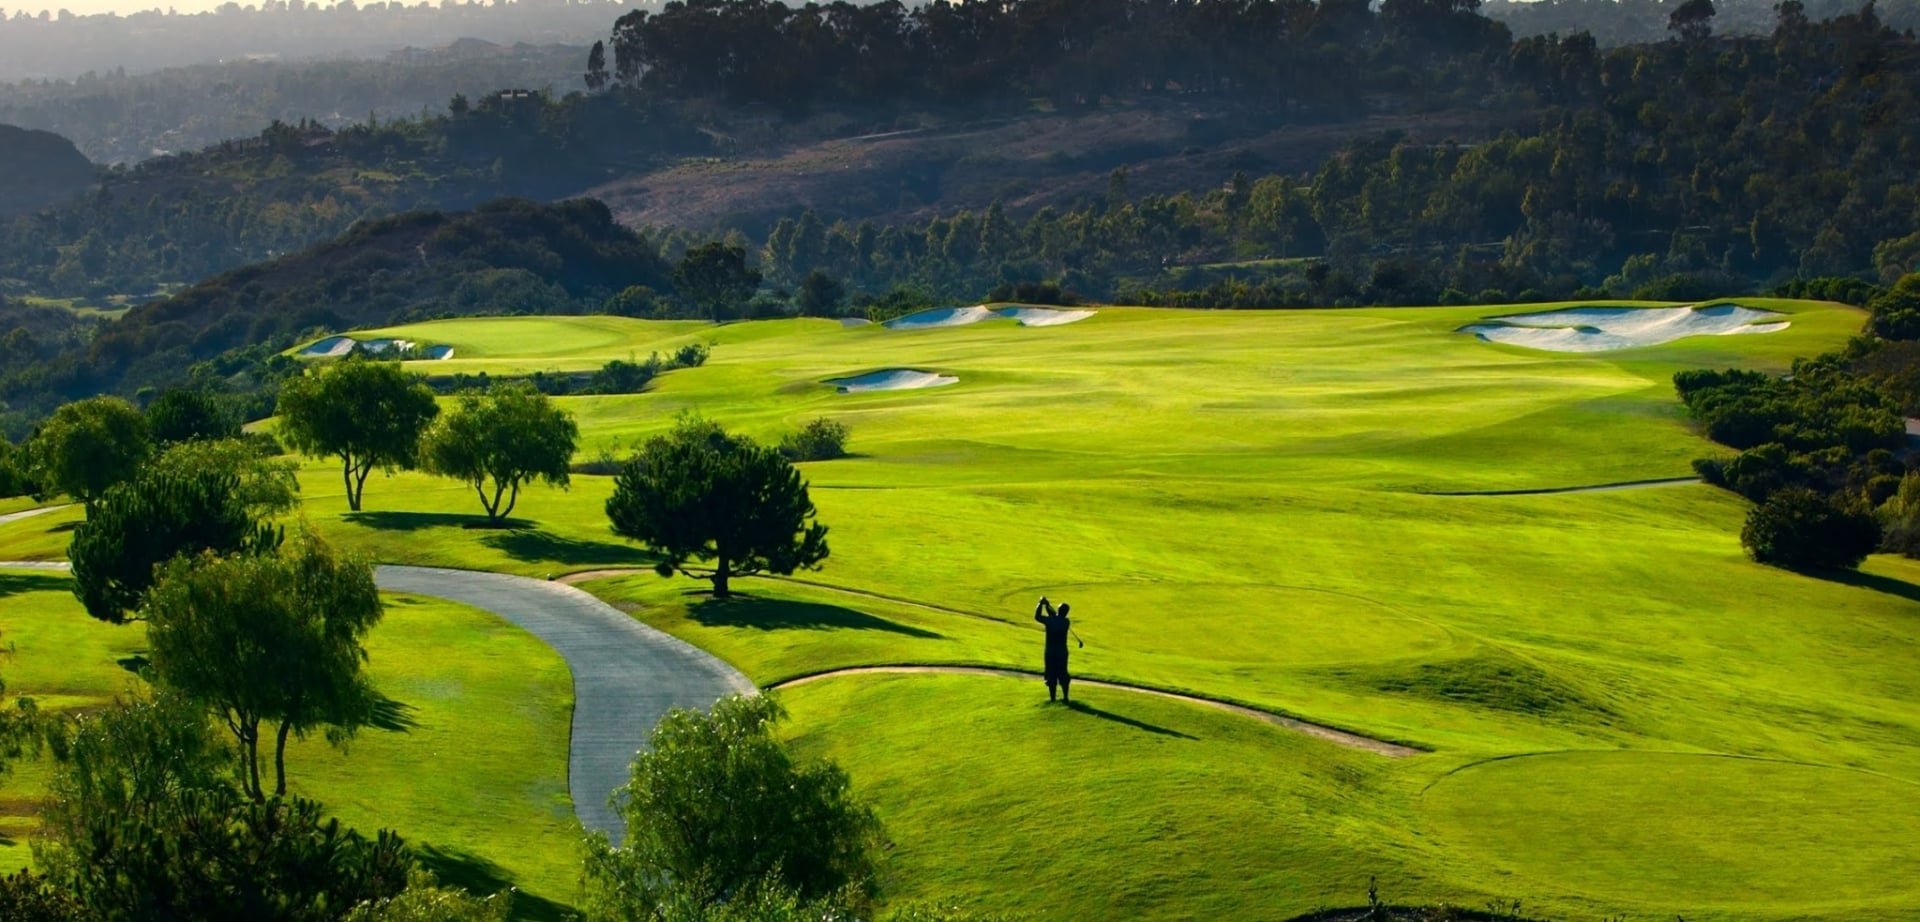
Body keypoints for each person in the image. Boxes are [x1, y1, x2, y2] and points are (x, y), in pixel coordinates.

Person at [1034, 596, 1073, 702]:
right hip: (1062, 652)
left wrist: (1040, 603)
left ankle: (1053, 699)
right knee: (1063, 674)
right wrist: (1047, 605)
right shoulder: (1066, 621)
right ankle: (1065, 697)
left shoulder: (1051, 620)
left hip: (1050, 652)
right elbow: (1053, 615)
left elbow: (1037, 617)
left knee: (1051, 675)